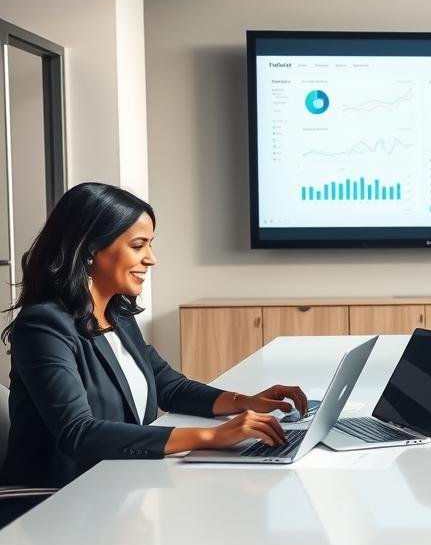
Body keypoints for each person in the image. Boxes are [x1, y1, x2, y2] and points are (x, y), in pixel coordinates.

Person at [1, 183, 307, 490]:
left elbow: (169, 386)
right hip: (54, 499)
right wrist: (212, 436)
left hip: (118, 485)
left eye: (150, 245)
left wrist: (245, 402)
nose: (151, 259)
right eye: (138, 246)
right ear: (91, 250)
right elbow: (79, 433)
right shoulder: (43, 326)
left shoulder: (116, 315)